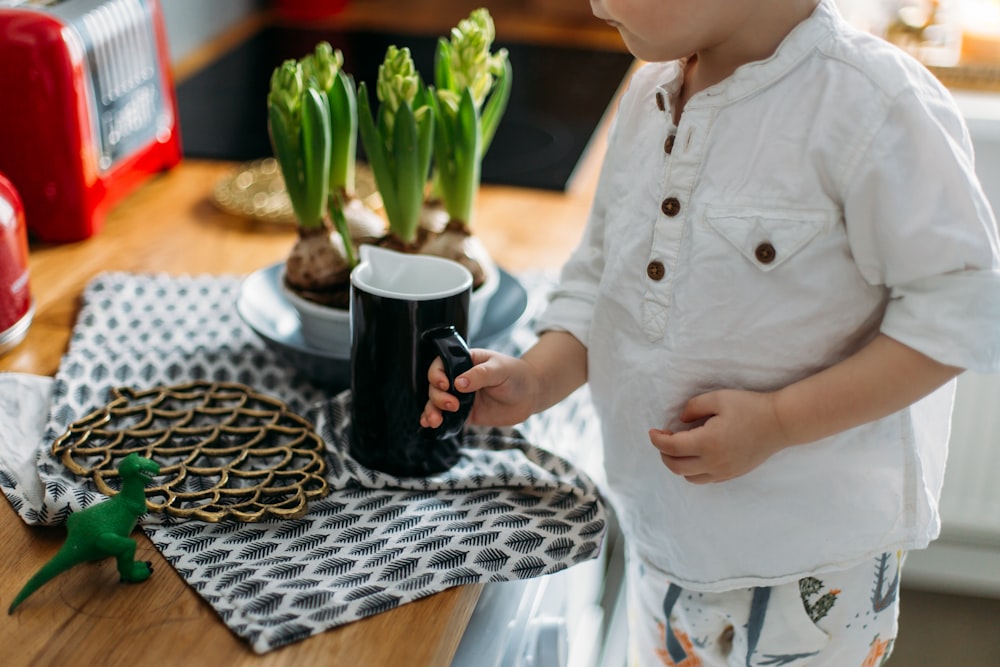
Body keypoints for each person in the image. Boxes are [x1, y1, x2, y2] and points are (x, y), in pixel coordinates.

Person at [422, 0, 1000, 664]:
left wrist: (779, 420)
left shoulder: (873, 104)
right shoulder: (646, 96)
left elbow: (958, 318)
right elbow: (597, 279)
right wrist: (536, 378)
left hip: (812, 567)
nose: (596, 4)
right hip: (665, 538)